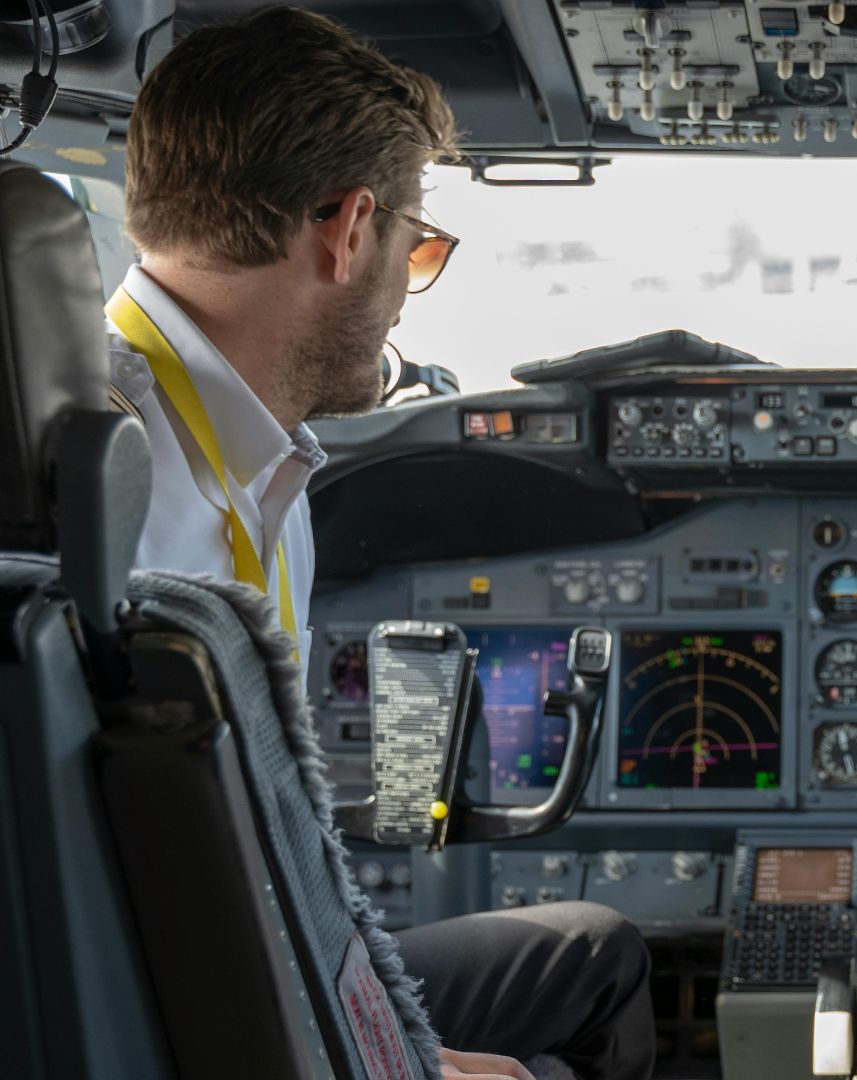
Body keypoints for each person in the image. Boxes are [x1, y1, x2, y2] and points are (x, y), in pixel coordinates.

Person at [107, 9, 654, 1079]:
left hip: (216, 960)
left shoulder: (220, 454)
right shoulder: (119, 501)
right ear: (350, 229)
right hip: (180, 1010)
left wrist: (405, 1048)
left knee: (591, 952)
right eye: (422, 245)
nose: (412, 281)